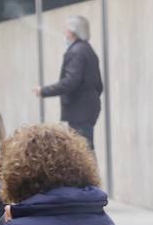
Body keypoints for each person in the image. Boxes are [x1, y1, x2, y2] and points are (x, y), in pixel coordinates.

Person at [34, 15, 103, 149]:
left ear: (72, 32)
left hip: (79, 112)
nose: (64, 33)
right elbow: (99, 86)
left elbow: (71, 82)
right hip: (87, 110)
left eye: (66, 30)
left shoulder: (76, 52)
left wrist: (44, 91)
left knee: (83, 152)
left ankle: (87, 171)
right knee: (85, 150)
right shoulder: (88, 50)